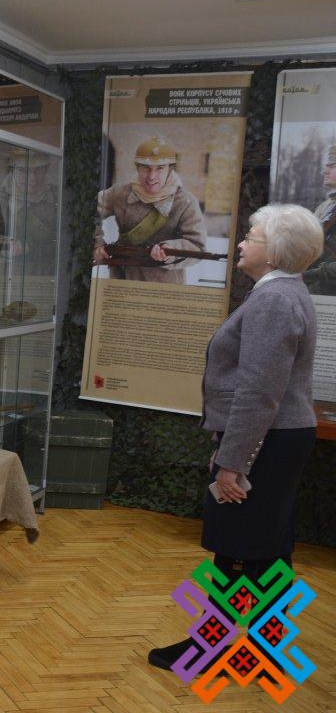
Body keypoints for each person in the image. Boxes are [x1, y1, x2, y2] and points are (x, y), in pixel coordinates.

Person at [148, 203, 323, 671]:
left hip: (264, 440)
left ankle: (208, 651)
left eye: (251, 236)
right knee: (265, 548)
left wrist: (232, 462)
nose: (241, 243)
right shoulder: (283, 292)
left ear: (276, 251)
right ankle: (268, 650)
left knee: (238, 549)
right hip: (276, 437)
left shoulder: (274, 300)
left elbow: (259, 393)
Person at [92, 136, 206, 283]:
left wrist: (169, 250)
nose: (152, 176)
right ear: (137, 167)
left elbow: (197, 246)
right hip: (122, 281)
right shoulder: (120, 193)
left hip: (164, 286)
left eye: (160, 168)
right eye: (146, 167)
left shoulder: (185, 202)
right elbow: (89, 210)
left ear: (170, 169)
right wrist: (97, 244)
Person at [302, 145, 336, 295]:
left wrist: (309, 275)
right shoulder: (326, 206)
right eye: (326, 166)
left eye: (332, 166)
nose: (325, 171)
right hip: (315, 287)